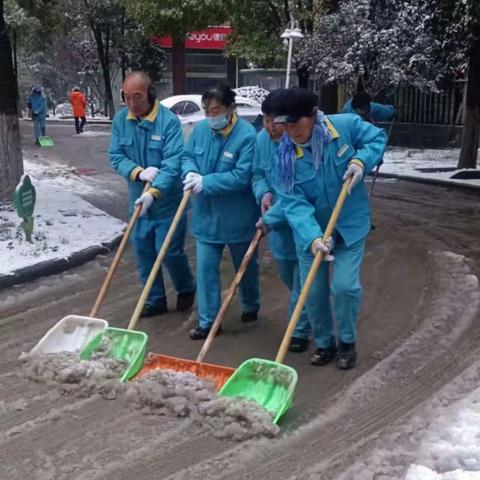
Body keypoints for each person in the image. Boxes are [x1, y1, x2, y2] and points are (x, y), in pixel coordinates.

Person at [261, 88, 387, 369]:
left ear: (313, 115)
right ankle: (325, 343)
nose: (291, 131)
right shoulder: (284, 158)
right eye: (286, 126)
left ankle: (347, 342)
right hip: (312, 234)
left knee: (344, 287)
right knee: (313, 292)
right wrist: (313, 238)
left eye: (296, 124)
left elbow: (377, 138)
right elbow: (293, 203)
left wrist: (361, 161)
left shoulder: (344, 126)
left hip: (349, 226)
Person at [109, 71, 195, 317]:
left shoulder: (168, 122)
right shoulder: (120, 120)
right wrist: (137, 172)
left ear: (151, 94)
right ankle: (155, 299)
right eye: (127, 97)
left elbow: (173, 163)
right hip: (138, 203)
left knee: (169, 251)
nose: (132, 103)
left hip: (167, 205)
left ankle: (186, 287)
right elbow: (116, 156)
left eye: (137, 96)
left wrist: (154, 191)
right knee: (144, 254)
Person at [182, 84, 260, 340]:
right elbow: (187, 156)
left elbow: (242, 175)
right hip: (206, 217)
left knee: (245, 267)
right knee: (205, 270)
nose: (211, 116)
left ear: (230, 108)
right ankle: (209, 322)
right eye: (206, 111)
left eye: (216, 110)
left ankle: (251, 304)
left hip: (238, 217)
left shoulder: (247, 135)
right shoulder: (201, 130)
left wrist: (208, 183)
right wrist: (191, 172)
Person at [252, 90, 312, 353]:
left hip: (302, 218)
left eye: (273, 121)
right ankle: (308, 308)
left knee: (304, 279)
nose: (269, 127)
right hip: (277, 225)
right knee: (288, 274)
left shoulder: (301, 141)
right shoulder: (261, 140)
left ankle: (298, 330)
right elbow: (257, 173)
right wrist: (263, 191)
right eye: (265, 120)